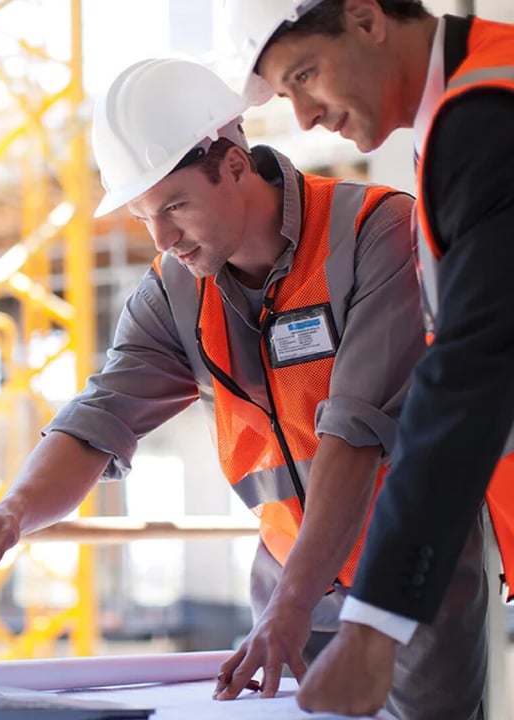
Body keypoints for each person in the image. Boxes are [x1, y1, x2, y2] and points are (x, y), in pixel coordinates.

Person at [0, 55, 456, 716]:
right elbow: (101, 416)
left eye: (175, 206)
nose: (163, 238)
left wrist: (293, 603)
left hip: (410, 587)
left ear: (232, 165)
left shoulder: (375, 232)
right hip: (286, 591)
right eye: (144, 217)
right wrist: (14, 511)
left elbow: (354, 436)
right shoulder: (173, 291)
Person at [224, 0, 514, 717]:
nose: (306, 120)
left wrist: (374, 623)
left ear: (364, 16)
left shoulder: (485, 119)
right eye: (286, 97)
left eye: (306, 76)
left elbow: (469, 373)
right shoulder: (460, 106)